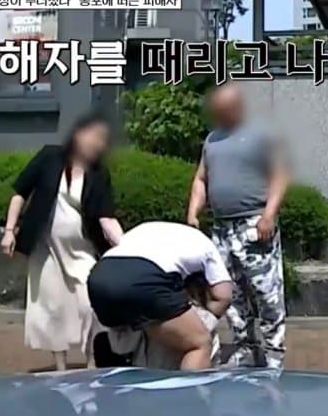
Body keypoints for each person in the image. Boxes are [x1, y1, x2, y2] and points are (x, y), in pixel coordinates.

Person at [0, 112, 124, 371]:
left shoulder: (99, 172)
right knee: (53, 306)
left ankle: (92, 362)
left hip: (81, 249)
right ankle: (60, 368)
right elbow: (20, 192)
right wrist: (9, 230)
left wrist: (125, 246)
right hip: (46, 248)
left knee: (90, 304)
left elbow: (106, 217)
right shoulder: (49, 157)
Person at [186, 82, 290, 369]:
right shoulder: (213, 139)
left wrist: (269, 214)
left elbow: (280, 174)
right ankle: (245, 348)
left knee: (266, 292)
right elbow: (201, 179)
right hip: (222, 229)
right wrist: (193, 212)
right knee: (229, 292)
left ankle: (273, 353)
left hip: (254, 224)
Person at [87, 221, 233, 371]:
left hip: (100, 277)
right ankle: (188, 386)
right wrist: (204, 321)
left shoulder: (145, 229)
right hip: (144, 281)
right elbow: (224, 296)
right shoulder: (205, 244)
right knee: (199, 343)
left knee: (131, 337)